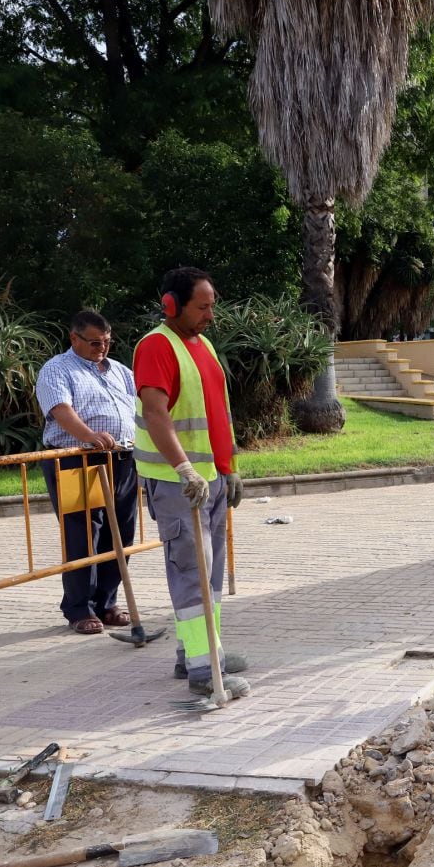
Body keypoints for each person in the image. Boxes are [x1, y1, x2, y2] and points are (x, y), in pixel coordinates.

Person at [133, 266, 249, 698]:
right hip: (178, 484)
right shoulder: (156, 347)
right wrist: (185, 468)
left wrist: (229, 465)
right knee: (191, 574)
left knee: (210, 572)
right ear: (171, 305)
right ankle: (204, 671)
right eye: (202, 307)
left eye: (212, 306)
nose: (210, 315)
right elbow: (155, 413)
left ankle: (202, 653)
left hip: (212, 480)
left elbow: (218, 410)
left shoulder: (203, 345)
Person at [35, 309, 138, 635]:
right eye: (94, 343)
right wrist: (88, 436)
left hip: (121, 460)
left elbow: (137, 406)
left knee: (119, 534)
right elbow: (60, 409)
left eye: (106, 342)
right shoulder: (57, 369)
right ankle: (79, 608)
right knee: (82, 535)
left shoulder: (119, 370)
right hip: (77, 460)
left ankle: (106, 602)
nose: (101, 349)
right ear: (74, 338)